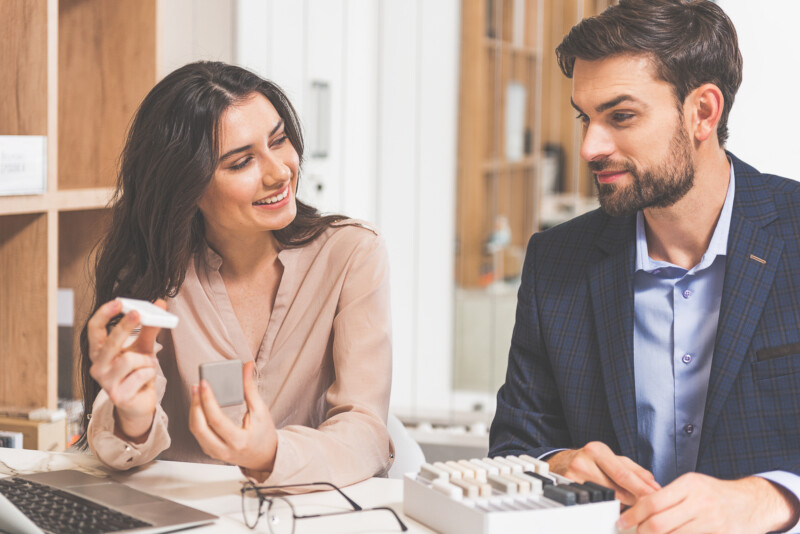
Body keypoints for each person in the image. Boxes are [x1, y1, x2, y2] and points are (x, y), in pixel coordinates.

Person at [489, 0, 800, 531]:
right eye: (585, 117)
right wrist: (556, 467)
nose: (590, 146)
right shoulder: (554, 261)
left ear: (703, 112)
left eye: (621, 116)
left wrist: (773, 499)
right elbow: (515, 447)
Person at [77, 61, 394, 490]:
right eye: (241, 162)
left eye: (278, 140)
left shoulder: (351, 254)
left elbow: (366, 432)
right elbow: (121, 453)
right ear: (187, 187)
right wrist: (133, 418)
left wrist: (270, 455)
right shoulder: (153, 274)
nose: (279, 171)